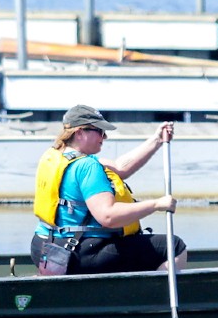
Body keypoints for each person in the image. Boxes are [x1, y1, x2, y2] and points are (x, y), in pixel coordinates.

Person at [31, 104, 184, 275]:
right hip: (78, 253)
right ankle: (147, 299)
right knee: (174, 246)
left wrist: (156, 140)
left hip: (44, 246)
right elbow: (108, 216)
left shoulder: (56, 156)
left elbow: (121, 167)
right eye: (100, 131)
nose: (105, 137)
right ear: (79, 133)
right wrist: (156, 205)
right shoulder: (87, 166)